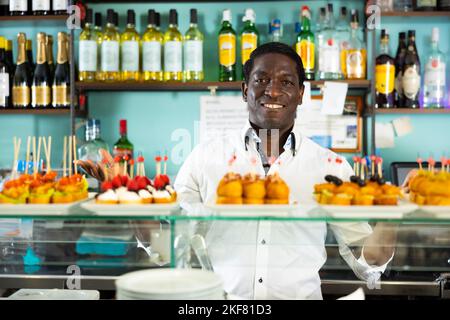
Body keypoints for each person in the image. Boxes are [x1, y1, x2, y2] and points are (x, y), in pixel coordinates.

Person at [174, 42, 397, 299]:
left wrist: (393, 217)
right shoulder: (205, 157)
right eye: (262, 80)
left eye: (287, 82)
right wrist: (135, 212)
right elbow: (172, 241)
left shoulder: (330, 167)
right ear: (245, 89)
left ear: (301, 94)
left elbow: (366, 261)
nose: (273, 91)